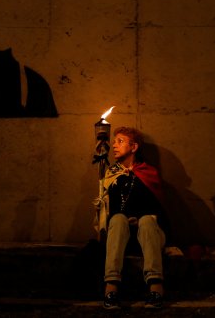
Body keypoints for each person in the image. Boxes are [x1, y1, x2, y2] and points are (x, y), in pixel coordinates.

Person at [97, 127, 167, 310]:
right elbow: (111, 211)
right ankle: (111, 287)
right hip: (121, 235)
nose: (114, 145)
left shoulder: (148, 172)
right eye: (114, 141)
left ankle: (156, 287)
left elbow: (156, 210)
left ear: (134, 147)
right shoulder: (112, 175)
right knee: (118, 218)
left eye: (120, 141)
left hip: (149, 234)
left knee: (146, 220)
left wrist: (139, 218)